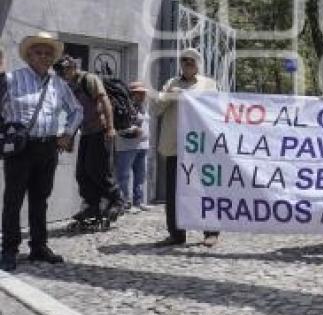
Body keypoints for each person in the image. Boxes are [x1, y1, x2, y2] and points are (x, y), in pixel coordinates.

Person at [1, 32, 83, 272]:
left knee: (40, 199)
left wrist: (67, 133)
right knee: (13, 201)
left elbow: (76, 110)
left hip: (48, 147)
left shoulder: (58, 83)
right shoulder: (10, 79)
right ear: (28, 56)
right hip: (20, 149)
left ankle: (39, 246)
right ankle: (9, 249)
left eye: (48, 53)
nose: (44, 56)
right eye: (39, 52)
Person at [150, 49, 220, 247]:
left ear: (198, 64)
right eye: (184, 61)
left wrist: (190, 96)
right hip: (175, 147)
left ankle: (211, 231)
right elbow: (155, 108)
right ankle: (176, 233)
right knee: (173, 193)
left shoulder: (209, 84)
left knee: (205, 190)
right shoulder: (171, 83)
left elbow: (214, 109)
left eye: (191, 61)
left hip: (199, 148)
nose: (187, 64)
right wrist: (171, 95)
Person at [54, 55, 124, 223]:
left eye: (64, 72)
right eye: (60, 75)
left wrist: (110, 127)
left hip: (100, 131)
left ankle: (117, 200)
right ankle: (92, 204)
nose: (63, 77)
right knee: (82, 173)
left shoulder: (89, 79)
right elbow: (76, 113)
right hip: (86, 132)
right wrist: (69, 137)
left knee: (98, 170)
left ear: (71, 67)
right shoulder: (71, 85)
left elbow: (105, 101)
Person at [115, 81, 150, 213]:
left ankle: (138, 201)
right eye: (139, 93)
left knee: (140, 175)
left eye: (143, 93)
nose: (142, 96)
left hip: (142, 145)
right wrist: (133, 130)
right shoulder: (123, 107)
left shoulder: (143, 107)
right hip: (127, 146)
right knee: (123, 175)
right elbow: (119, 126)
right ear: (131, 94)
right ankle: (125, 203)